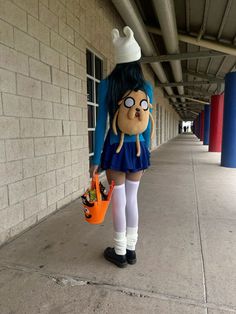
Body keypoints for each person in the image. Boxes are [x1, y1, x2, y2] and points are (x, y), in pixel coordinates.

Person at [90, 26, 153, 268]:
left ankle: (119, 252)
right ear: (136, 60)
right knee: (132, 199)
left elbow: (100, 124)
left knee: (118, 200)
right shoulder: (145, 88)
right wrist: (144, 151)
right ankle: (131, 250)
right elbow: (145, 125)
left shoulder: (107, 85)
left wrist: (96, 159)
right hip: (137, 151)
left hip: (114, 151)